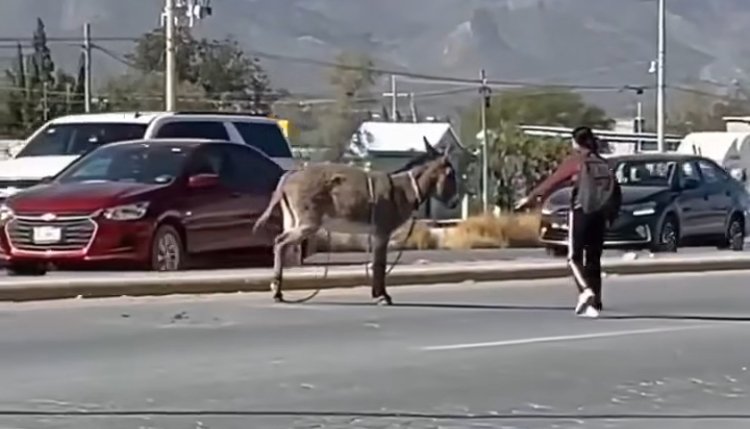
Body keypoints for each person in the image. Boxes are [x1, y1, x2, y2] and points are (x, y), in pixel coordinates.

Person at [517, 126, 621, 318]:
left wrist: (529, 200)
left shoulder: (577, 162)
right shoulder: (603, 163)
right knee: (593, 258)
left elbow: (552, 182)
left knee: (573, 257)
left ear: (576, 142)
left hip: (581, 212)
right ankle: (596, 302)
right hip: (600, 216)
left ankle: (585, 291)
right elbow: (616, 193)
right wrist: (610, 217)